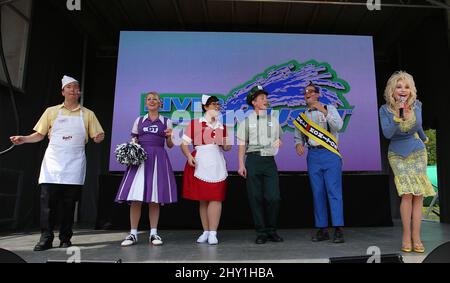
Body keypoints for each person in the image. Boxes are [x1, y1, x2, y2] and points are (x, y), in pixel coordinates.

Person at [10, 75, 105, 251]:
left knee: (69, 204)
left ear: (79, 92)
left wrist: (99, 137)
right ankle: (46, 238)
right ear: (63, 91)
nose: (73, 89)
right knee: (47, 204)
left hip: (75, 163)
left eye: (76, 87)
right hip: (53, 163)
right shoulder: (51, 112)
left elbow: (97, 137)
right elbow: (38, 135)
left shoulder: (88, 114)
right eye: (69, 87)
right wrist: (23, 139)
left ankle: (65, 237)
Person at [379, 71, 435, 253]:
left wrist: (425, 137)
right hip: (397, 152)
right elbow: (388, 134)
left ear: (411, 90)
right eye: (399, 86)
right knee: (407, 194)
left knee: (418, 194)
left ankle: (416, 237)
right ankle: (406, 235)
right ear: (392, 91)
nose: (403, 90)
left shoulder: (417, 105)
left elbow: (418, 125)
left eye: (407, 86)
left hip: (417, 150)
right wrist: (398, 118)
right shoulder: (384, 110)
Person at [115, 91, 177, 246]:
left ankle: (154, 234)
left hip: (158, 159)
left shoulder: (166, 121)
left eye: (154, 99)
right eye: (149, 99)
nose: (151, 101)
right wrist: (133, 146)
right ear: (146, 103)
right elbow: (134, 138)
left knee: (154, 198)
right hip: (140, 160)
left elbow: (170, 145)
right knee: (136, 197)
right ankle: (133, 234)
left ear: (160, 103)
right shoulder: (139, 120)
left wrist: (170, 136)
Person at [294, 82, 345, 243]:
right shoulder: (302, 116)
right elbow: (298, 137)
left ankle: (338, 228)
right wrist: (298, 144)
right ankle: (322, 229)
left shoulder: (330, 109)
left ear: (317, 94)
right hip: (313, 156)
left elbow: (339, 126)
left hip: (330, 154)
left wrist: (323, 110)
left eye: (310, 91)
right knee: (317, 192)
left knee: (334, 191)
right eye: (304, 92)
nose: (307, 94)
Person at [181, 95, 231, 245]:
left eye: (218, 104)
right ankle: (206, 231)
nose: (217, 106)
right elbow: (184, 143)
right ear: (205, 107)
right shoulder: (195, 123)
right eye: (213, 104)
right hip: (200, 161)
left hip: (216, 161)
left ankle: (213, 233)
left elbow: (227, 148)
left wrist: (226, 142)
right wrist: (189, 155)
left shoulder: (222, 126)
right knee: (203, 199)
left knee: (216, 197)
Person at [237, 85, 284, 244]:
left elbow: (280, 138)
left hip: (269, 161)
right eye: (262, 98)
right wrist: (241, 165)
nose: (265, 100)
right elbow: (242, 145)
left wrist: (278, 142)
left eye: (266, 97)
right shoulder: (246, 122)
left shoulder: (273, 120)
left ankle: (272, 230)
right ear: (254, 102)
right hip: (253, 160)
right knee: (255, 197)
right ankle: (261, 232)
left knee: (274, 197)